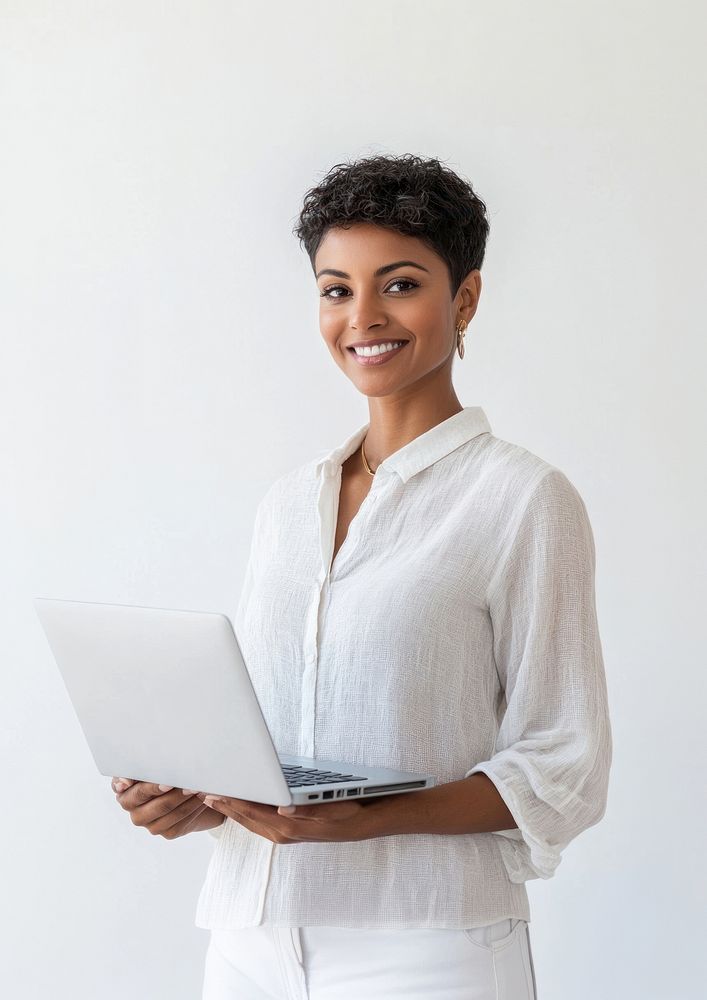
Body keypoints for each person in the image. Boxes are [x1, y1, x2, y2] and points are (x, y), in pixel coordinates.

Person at [111, 153, 613, 999]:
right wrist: (201, 795)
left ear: (464, 299)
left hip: (424, 943)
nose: (363, 316)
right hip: (247, 939)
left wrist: (368, 822)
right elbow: (276, 734)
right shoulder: (286, 504)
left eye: (400, 283)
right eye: (336, 288)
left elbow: (564, 762)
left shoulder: (522, 498)